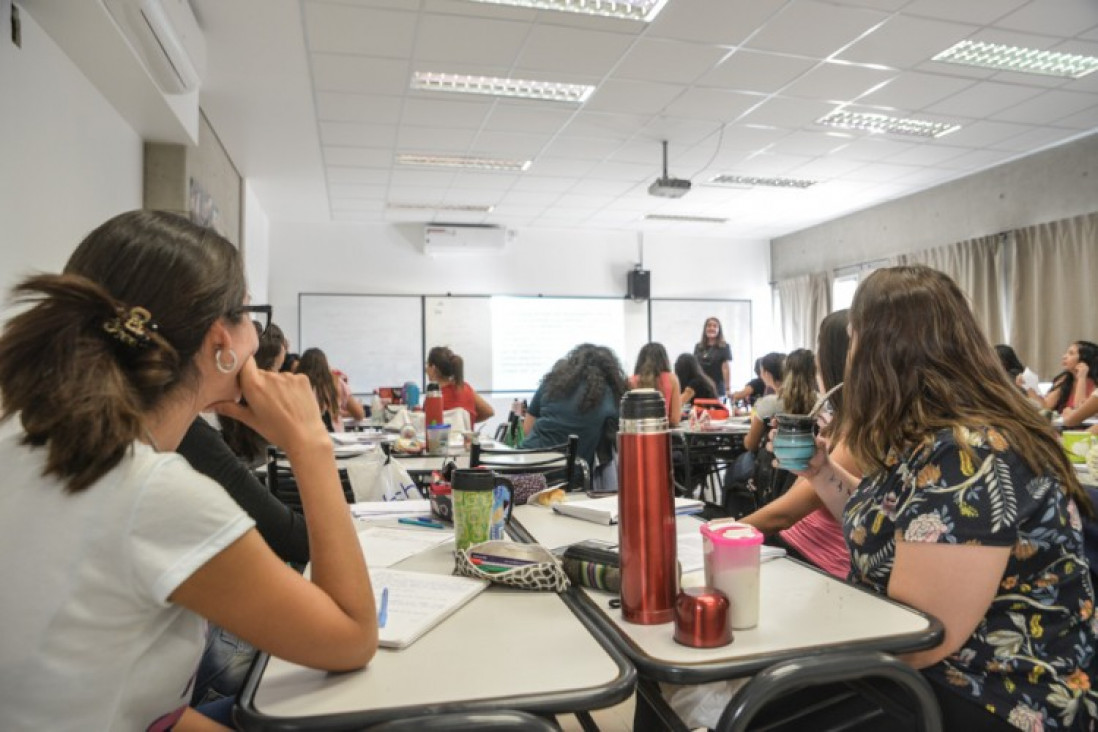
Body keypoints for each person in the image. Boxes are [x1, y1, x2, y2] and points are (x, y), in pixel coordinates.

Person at [0, 210, 376, 730]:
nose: (256, 339)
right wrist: (309, 443)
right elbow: (352, 639)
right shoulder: (151, 490)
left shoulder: (22, 438)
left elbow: (139, 708)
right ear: (222, 345)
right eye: (249, 316)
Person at [799, 265, 1096, 730]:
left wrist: (802, 637)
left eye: (855, 339)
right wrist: (821, 473)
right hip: (938, 678)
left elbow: (919, 637)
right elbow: (899, 523)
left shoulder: (969, 452)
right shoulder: (931, 436)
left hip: (995, 695)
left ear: (881, 350)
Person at [523, 343, 627, 468]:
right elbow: (621, 439)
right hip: (571, 475)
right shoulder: (609, 395)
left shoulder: (552, 383)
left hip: (527, 465)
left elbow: (527, 429)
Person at [426, 345, 494, 424]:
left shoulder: (433, 397)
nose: (426, 369)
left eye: (427, 364)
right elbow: (489, 412)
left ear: (433, 368)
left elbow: (428, 425)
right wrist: (465, 423)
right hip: (466, 436)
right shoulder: (465, 388)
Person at [742, 351, 793, 452]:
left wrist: (744, 439)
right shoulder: (811, 398)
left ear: (767, 374)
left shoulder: (769, 402)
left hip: (773, 459)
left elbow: (751, 445)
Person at [297, 347, 357, 432]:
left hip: (305, 435)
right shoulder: (336, 382)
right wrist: (342, 413)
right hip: (334, 436)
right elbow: (359, 414)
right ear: (325, 364)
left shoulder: (296, 384)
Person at [629, 342, 682, 427]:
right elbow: (675, 419)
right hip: (662, 435)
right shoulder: (672, 379)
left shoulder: (630, 381)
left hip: (637, 435)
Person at [1042, 340, 1098, 413]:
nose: (1064, 357)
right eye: (1066, 353)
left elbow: (1079, 411)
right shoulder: (1065, 378)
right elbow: (1046, 406)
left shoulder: (1095, 384)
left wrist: (1081, 378)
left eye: (1071, 353)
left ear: (1084, 359)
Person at [693, 317, 733, 399]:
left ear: (719, 330)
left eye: (715, 326)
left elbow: (725, 368)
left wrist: (728, 389)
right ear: (705, 329)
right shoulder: (698, 346)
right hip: (701, 387)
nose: (711, 328)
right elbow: (695, 367)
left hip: (717, 387)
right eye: (709, 326)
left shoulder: (724, 346)